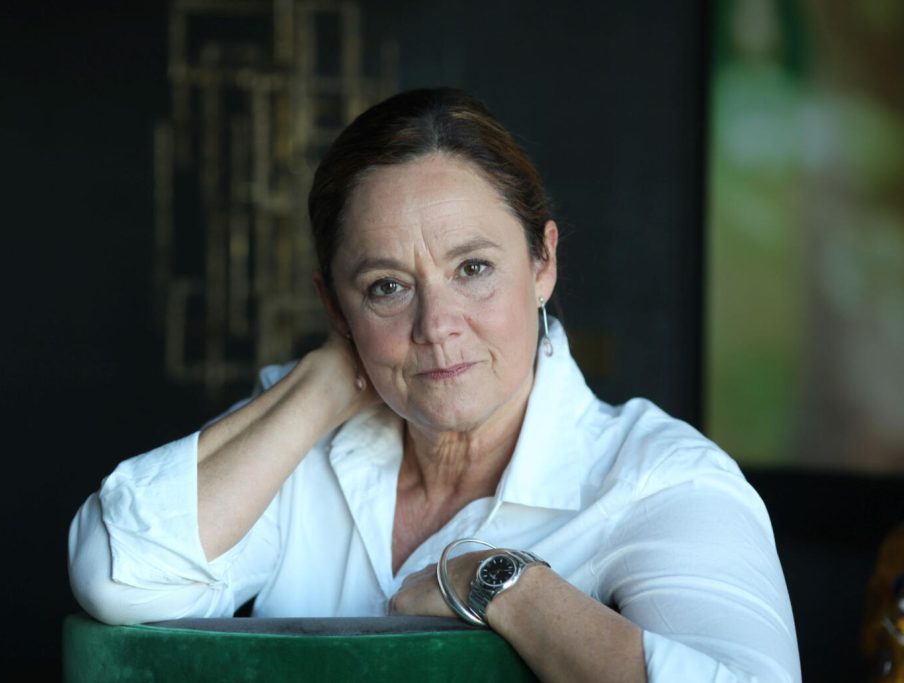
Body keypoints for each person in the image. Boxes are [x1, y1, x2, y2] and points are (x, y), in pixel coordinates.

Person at [68, 88, 800, 682]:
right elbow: (116, 575)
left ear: (542, 264)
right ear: (336, 308)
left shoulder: (661, 481)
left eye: (473, 269)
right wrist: (321, 384)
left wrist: (500, 582)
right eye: (385, 287)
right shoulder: (298, 444)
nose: (437, 326)